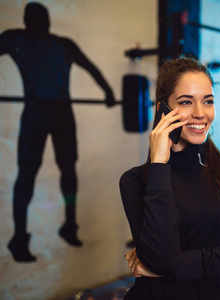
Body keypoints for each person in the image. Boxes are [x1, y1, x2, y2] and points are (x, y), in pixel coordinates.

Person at [119, 57, 220, 299]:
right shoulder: (137, 180)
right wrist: (159, 163)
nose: (200, 114)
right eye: (186, 102)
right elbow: (160, 256)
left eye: (208, 101)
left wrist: (175, 265)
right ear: (163, 109)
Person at [1, 2, 115, 262]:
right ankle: (20, 238)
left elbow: (91, 67)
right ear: (28, 21)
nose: (41, 24)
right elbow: (91, 68)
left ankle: (69, 225)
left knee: (67, 169)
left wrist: (108, 91)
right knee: (28, 174)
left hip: (60, 114)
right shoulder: (17, 39)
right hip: (37, 114)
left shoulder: (62, 45)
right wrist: (107, 91)